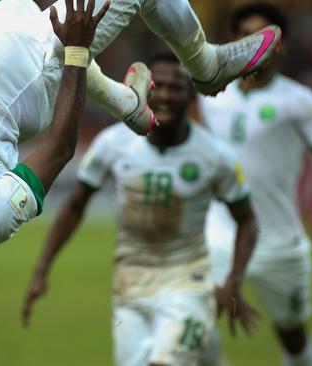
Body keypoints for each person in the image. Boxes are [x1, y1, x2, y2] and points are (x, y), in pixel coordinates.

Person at [0, 0, 280, 362]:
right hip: (26, 74)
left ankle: (128, 103)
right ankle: (206, 66)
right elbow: (60, 148)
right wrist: (76, 52)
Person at [22, 52, 259, 366]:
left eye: (176, 87)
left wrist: (233, 282)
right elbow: (76, 205)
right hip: (129, 287)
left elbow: (247, 222)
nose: (164, 95)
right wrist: (41, 270)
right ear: (143, 89)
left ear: (191, 94)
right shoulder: (112, 144)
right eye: (157, 86)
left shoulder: (216, 156)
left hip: (188, 282)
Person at [197, 4, 312, 366]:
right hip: (219, 236)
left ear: (279, 45)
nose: (251, 41)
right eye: (243, 33)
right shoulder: (213, 95)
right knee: (195, 326)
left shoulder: (299, 101)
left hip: (279, 240)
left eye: (261, 33)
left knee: (293, 336)